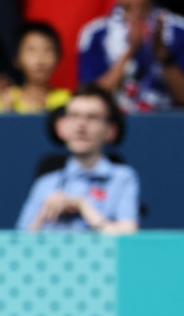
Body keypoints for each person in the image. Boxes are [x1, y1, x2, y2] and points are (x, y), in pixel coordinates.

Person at [15, 85, 140, 234]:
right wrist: (44, 212)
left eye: (92, 117)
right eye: (74, 116)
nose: (81, 125)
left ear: (110, 130)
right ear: (61, 127)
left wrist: (83, 206)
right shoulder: (45, 183)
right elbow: (20, 243)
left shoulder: (123, 177)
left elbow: (129, 236)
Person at [0, 22, 70, 113]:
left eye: (48, 49)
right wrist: (6, 112)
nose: (40, 58)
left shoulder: (68, 101)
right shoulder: (5, 99)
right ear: (17, 59)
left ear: (58, 58)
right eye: (31, 50)